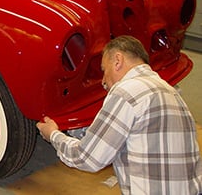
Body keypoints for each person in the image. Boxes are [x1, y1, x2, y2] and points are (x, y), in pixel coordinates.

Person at [37, 35, 202, 195]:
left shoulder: (127, 91)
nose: (103, 81)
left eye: (104, 70)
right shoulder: (171, 92)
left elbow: (87, 158)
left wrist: (53, 135)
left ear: (117, 60)